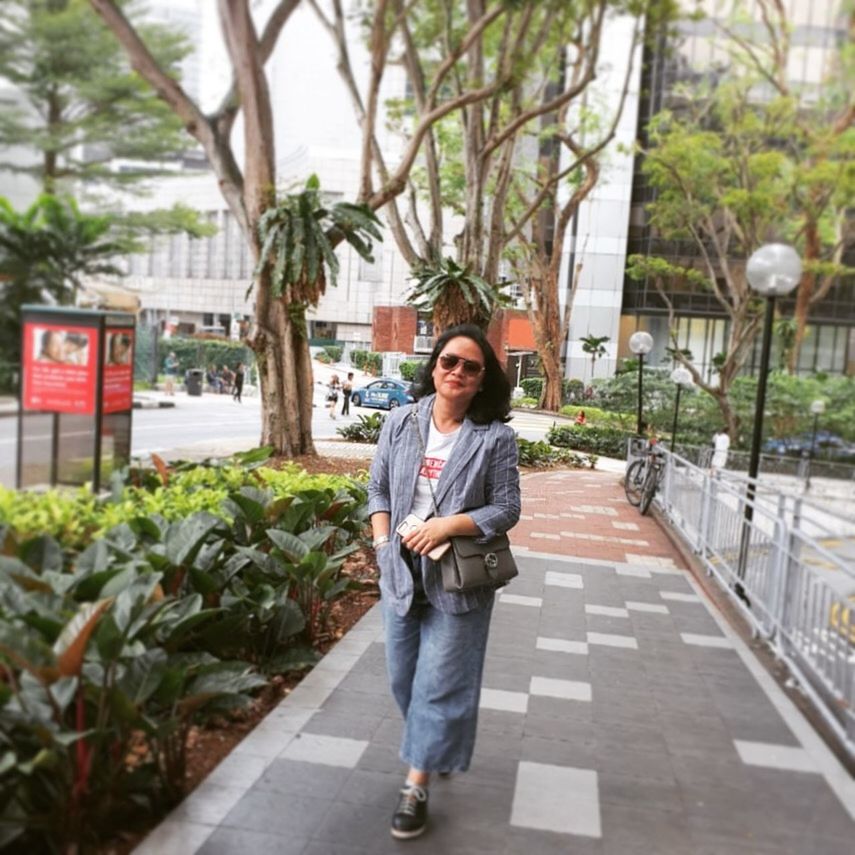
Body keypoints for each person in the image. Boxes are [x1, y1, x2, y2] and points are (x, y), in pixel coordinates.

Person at [367, 324, 521, 840]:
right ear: (434, 365)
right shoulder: (401, 422)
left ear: (482, 381)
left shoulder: (494, 437)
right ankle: (438, 744)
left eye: (470, 367)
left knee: (439, 684)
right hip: (401, 572)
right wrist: (384, 545)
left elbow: (506, 508)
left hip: (459, 579)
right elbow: (379, 490)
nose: (457, 372)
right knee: (402, 677)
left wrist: (446, 525)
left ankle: (416, 784)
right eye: (449, 361)